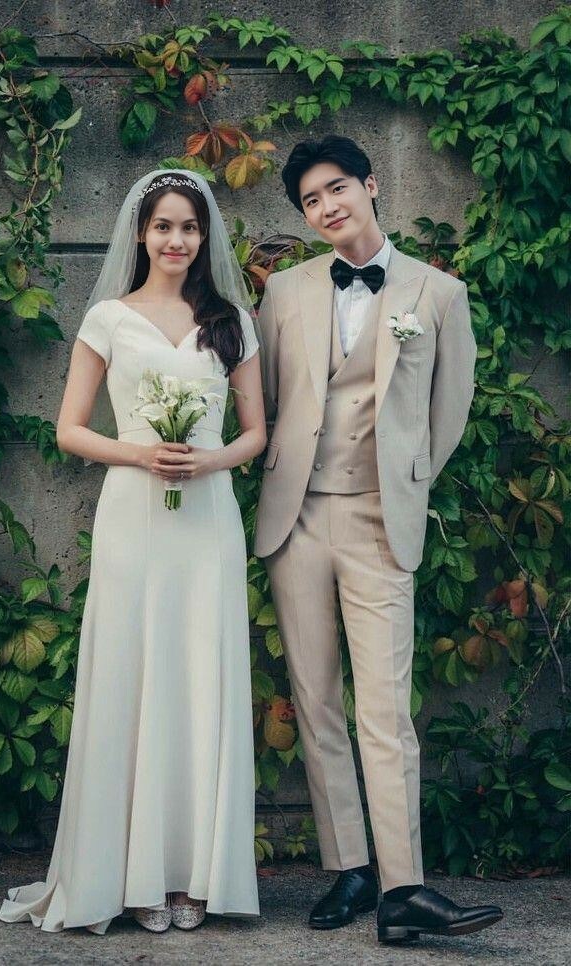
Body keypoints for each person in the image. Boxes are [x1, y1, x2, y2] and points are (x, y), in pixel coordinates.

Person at [0, 170, 265, 935]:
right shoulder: (107, 319)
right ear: (141, 235)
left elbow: (256, 433)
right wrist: (141, 454)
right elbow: (69, 429)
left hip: (207, 521)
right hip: (133, 517)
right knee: (132, 677)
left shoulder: (231, 323)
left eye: (189, 227)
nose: (177, 240)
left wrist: (209, 461)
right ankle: (134, 874)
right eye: (164, 227)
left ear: (204, 236)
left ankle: (193, 875)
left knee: (200, 680)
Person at [254, 135, 503, 943]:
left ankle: (404, 888)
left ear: (369, 184)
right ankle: (351, 868)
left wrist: (402, 478)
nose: (327, 207)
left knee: (386, 710)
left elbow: (448, 412)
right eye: (310, 201)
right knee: (317, 699)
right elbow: (267, 400)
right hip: (296, 518)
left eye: (336, 189)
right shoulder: (284, 291)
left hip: (379, 519)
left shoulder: (439, 292)